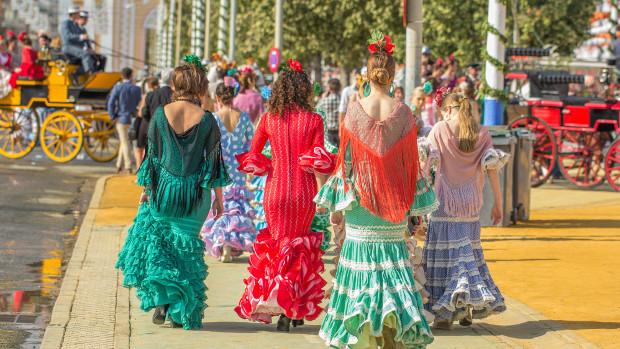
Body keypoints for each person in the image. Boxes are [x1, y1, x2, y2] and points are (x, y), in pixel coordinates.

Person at [317, 31, 435, 348]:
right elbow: (411, 166)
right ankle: (392, 338)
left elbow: (347, 164)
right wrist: (413, 213)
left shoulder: (354, 111)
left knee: (360, 277)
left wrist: (338, 209)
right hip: (393, 206)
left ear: (367, 74)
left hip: (360, 205)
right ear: (393, 74)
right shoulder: (405, 113)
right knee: (395, 276)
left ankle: (362, 336)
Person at [116, 57, 231, 330]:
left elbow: (152, 158)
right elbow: (214, 161)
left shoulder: (160, 114)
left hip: (164, 192)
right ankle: (180, 311)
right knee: (185, 252)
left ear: (175, 85)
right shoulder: (207, 120)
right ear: (200, 86)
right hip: (195, 196)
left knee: (162, 249)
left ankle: (162, 301)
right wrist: (219, 200)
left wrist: (146, 191)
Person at [234, 59, 335, 331]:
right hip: (303, 192)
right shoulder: (314, 119)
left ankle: (278, 304)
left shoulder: (268, 119)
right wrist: (326, 196)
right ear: (305, 91)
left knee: (279, 247)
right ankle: (292, 310)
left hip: (275, 191)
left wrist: (268, 165)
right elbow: (317, 161)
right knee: (300, 249)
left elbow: (253, 155)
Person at [423, 93, 509, 330]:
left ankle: (444, 312)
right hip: (471, 203)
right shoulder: (481, 133)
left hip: (444, 202)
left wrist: (416, 200)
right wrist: (499, 204)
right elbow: (492, 171)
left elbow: (426, 165)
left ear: (449, 109)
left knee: (444, 256)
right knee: (467, 252)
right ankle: (464, 308)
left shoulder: (439, 129)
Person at [202, 80, 257, 262]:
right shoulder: (244, 118)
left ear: (217, 98)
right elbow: (252, 144)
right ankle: (230, 245)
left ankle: (223, 244)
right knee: (236, 208)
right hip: (238, 170)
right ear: (233, 96)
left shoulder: (214, 118)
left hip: (220, 170)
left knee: (221, 206)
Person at [107, 67, 141, 174]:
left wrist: (112, 116)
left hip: (120, 118)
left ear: (122, 76)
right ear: (131, 76)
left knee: (125, 142)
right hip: (132, 118)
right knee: (125, 141)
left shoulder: (118, 88)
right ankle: (118, 165)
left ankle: (128, 166)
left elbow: (111, 103)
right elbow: (138, 104)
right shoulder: (137, 89)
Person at [59, 6, 97, 73]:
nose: (79, 15)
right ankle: (90, 73)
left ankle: (77, 73)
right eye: (78, 13)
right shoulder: (65, 23)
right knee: (85, 54)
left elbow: (81, 39)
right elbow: (67, 37)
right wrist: (81, 36)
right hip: (68, 47)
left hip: (76, 48)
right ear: (73, 14)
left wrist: (88, 47)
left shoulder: (76, 25)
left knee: (94, 57)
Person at [134, 77, 160, 169]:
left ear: (149, 85)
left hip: (145, 125)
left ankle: (139, 170)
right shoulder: (162, 95)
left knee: (139, 149)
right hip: (156, 126)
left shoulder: (147, 96)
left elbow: (141, 113)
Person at [316, 78, 341, 147]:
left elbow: (317, 110)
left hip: (329, 131)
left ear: (329, 88)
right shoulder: (343, 100)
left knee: (331, 153)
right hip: (340, 131)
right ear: (339, 87)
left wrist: (323, 97)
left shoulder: (325, 100)